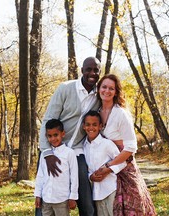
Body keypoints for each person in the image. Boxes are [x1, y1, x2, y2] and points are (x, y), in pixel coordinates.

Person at [38, 57, 101, 216]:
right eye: (88, 69)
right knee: (47, 191)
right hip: (54, 147)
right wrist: (47, 153)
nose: (92, 73)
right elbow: (48, 119)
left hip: (77, 151)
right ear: (82, 70)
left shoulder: (99, 95)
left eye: (96, 70)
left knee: (85, 198)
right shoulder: (65, 88)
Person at [94, 74, 157, 216]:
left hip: (124, 166)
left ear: (116, 92)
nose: (107, 91)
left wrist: (109, 166)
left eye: (111, 88)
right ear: (99, 89)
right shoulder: (96, 113)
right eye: (104, 87)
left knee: (133, 208)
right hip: (104, 167)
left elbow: (131, 147)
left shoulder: (121, 113)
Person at [82, 110, 126, 216]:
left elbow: (122, 162)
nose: (91, 128)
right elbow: (86, 169)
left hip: (109, 189)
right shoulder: (83, 146)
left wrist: (108, 170)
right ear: (83, 126)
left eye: (94, 125)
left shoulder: (107, 144)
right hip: (94, 191)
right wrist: (90, 177)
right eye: (88, 124)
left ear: (100, 126)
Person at [34, 119, 78, 216]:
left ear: (62, 134)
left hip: (62, 200)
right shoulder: (45, 154)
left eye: (56, 135)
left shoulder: (69, 153)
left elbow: (74, 177)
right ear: (46, 136)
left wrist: (73, 197)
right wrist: (38, 195)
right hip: (46, 199)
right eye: (50, 136)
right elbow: (40, 176)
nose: (53, 139)